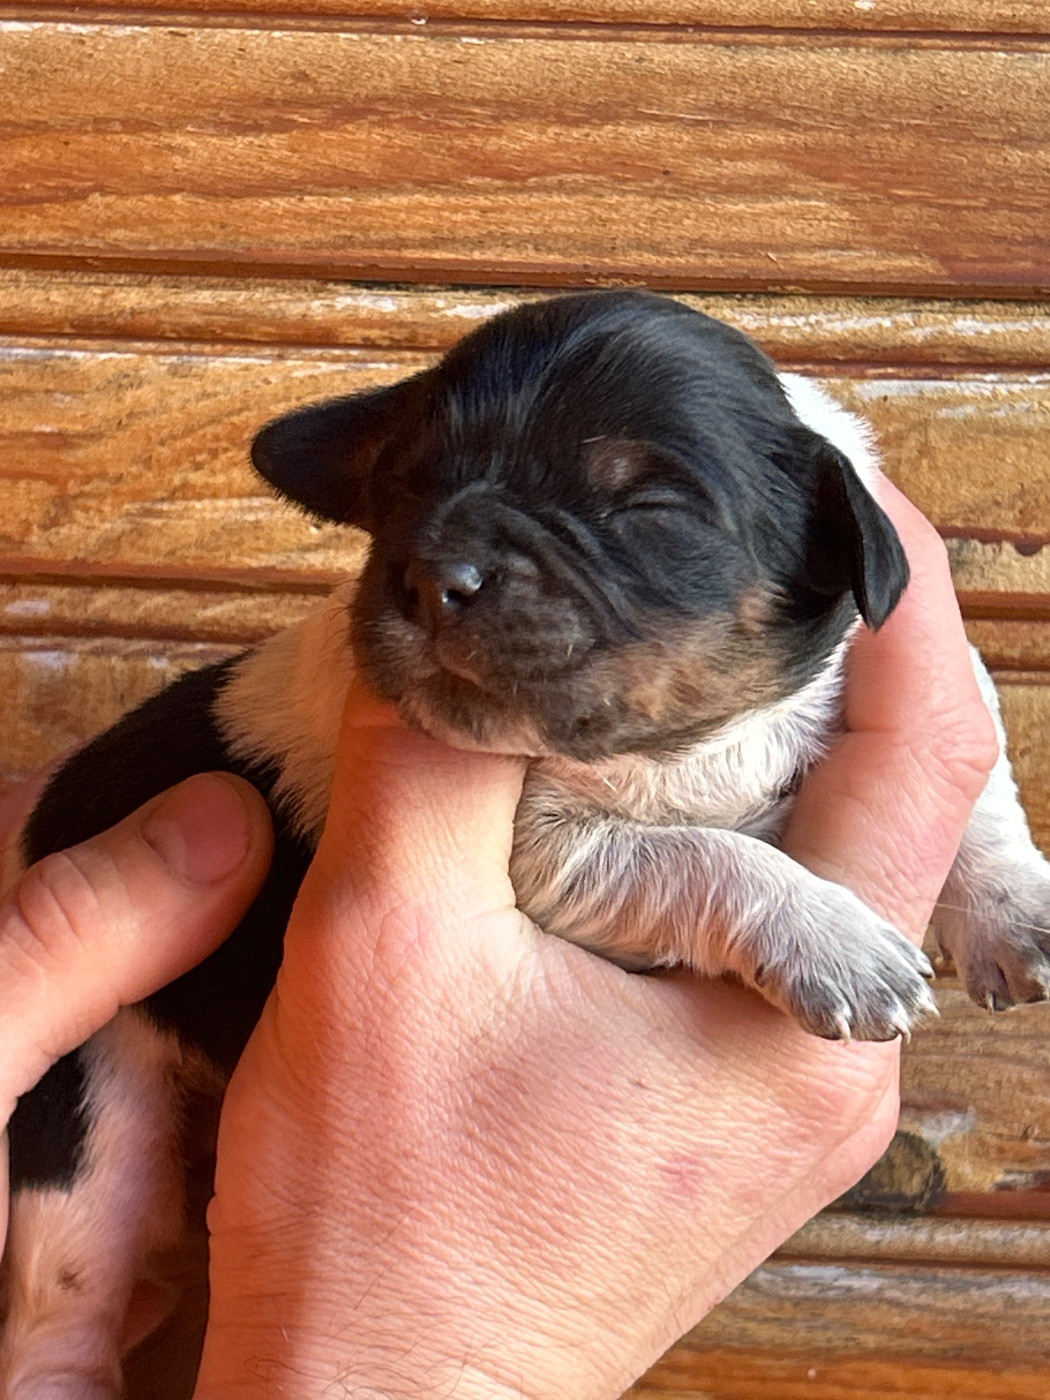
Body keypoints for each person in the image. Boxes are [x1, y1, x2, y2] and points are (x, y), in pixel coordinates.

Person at [0, 482, 997, 1398]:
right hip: (144, 1001)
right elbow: (561, 861)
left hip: (345, 1040)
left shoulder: (788, 639)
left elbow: (947, 734)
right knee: (69, 1321)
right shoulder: (470, 673)